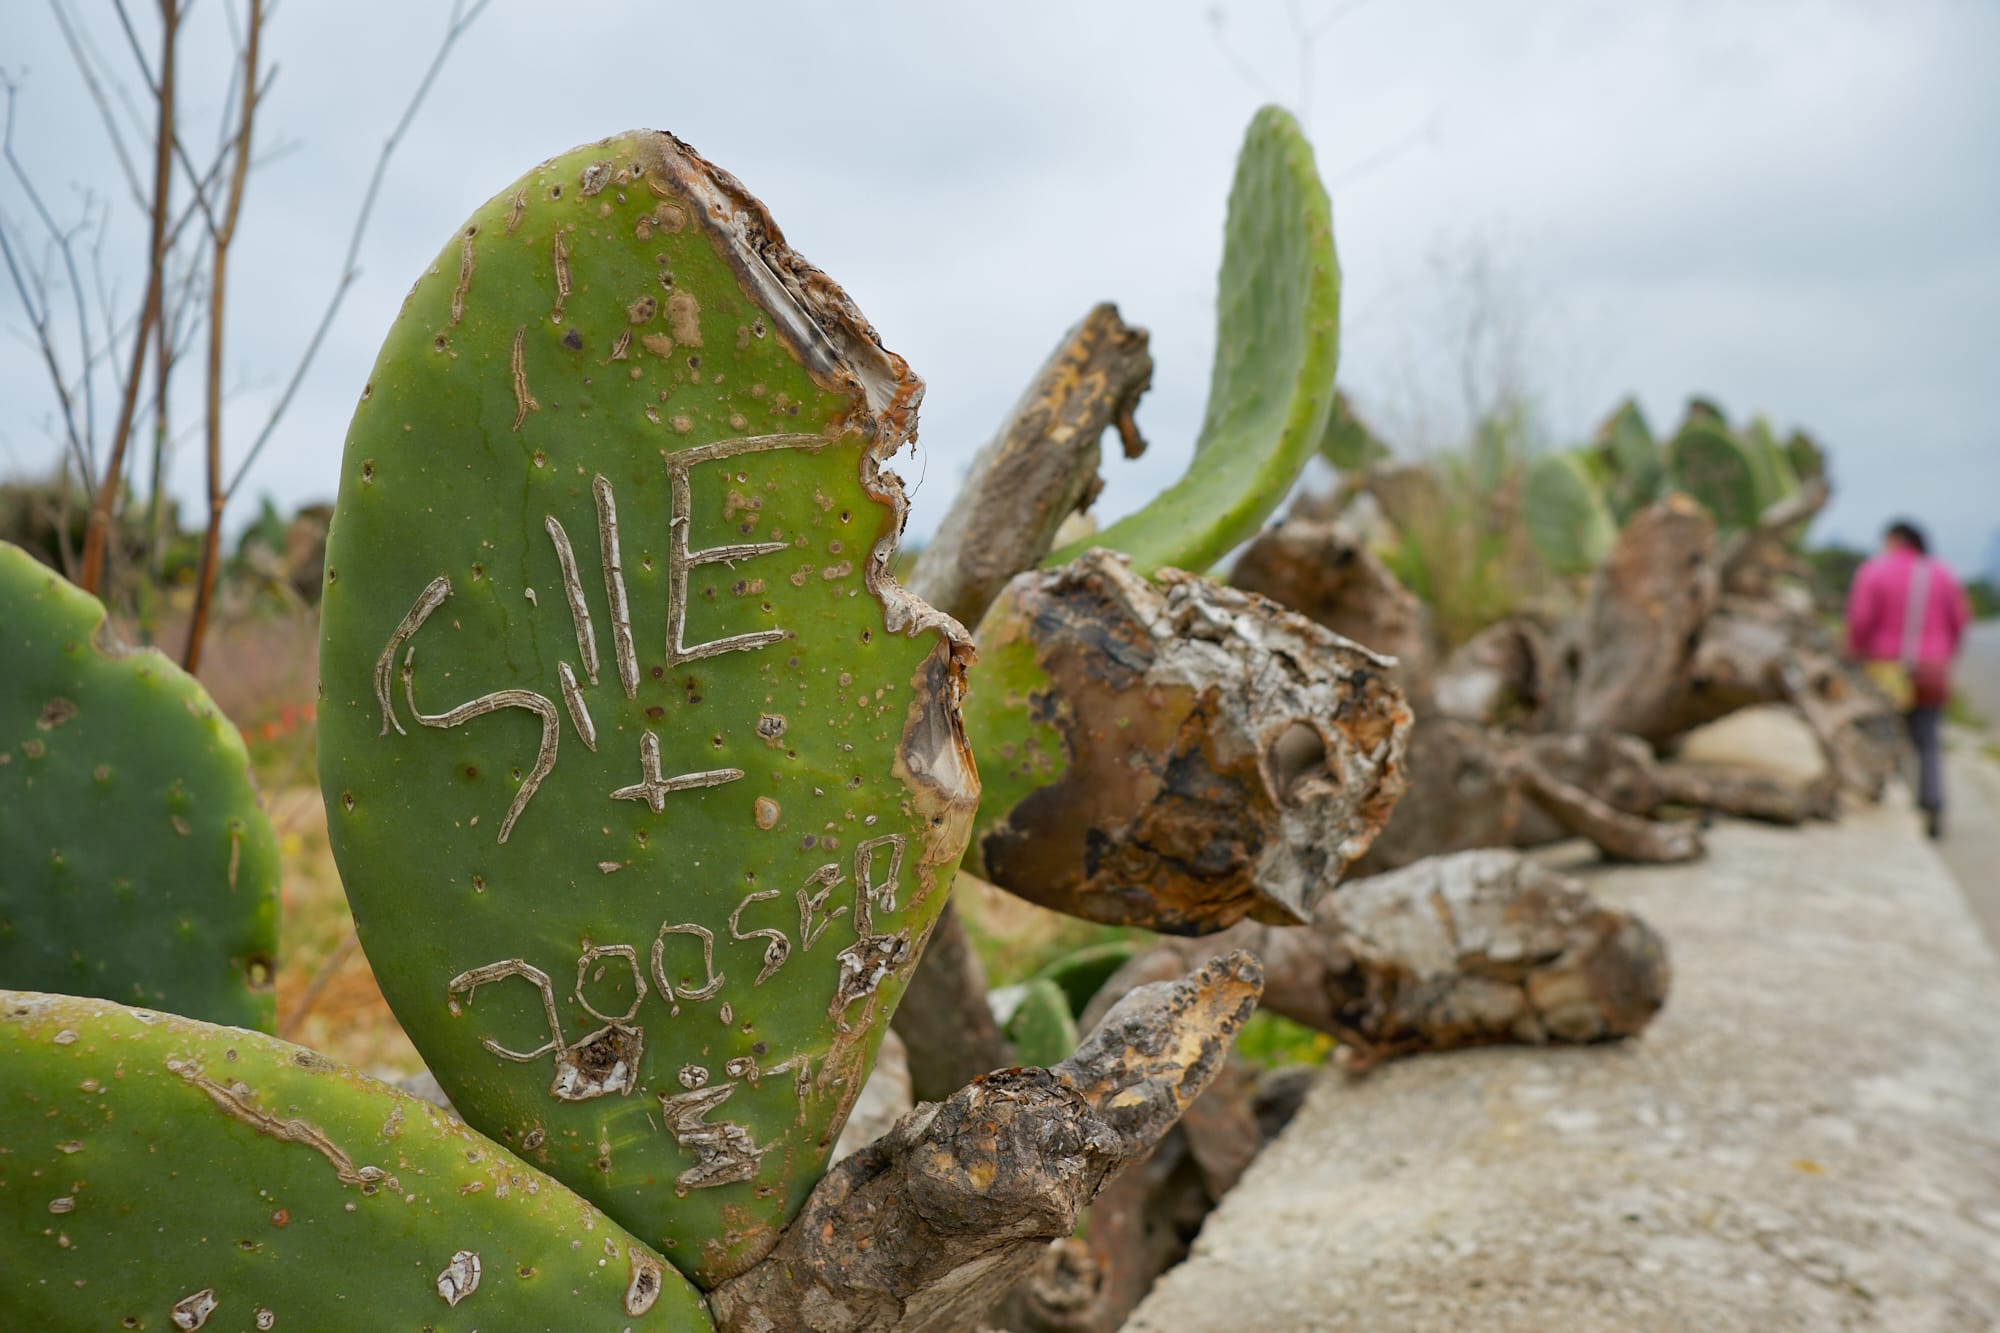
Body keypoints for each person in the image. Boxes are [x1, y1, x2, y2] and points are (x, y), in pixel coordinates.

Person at [1844, 519, 1971, 838]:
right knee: (1927, 739)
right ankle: (1932, 802)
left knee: (1883, 734)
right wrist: (1944, 655)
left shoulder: (1874, 571)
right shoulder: (1943, 574)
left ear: (1895, 540)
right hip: (1931, 668)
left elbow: (1860, 620)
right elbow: (1960, 621)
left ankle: (1887, 801)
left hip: (1885, 667)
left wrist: (1854, 653)